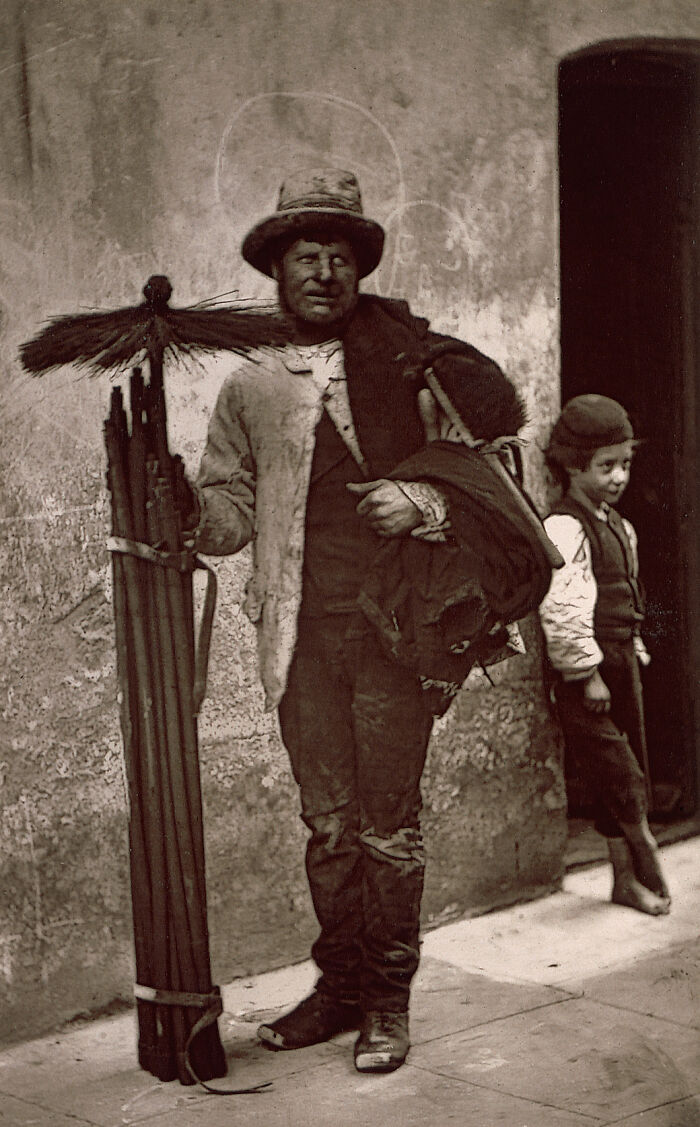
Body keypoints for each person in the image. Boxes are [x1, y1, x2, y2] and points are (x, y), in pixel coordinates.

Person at [189, 168, 532, 1073]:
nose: (325, 273)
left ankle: (388, 998)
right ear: (278, 267)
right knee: (330, 825)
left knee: (388, 826)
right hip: (299, 641)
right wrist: (189, 515)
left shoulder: (412, 362)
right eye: (307, 256)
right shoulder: (251, 385)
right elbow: (227, 509)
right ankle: (338, 986)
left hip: (394, 631)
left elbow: (492, 470)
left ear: (358, 269)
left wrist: (423, 498)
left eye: (340, 256)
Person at [538, 394, 671, 916]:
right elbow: (564, 605)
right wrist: (586, 673)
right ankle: (644, 846)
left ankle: (623, 880)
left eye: (625, 465)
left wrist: (630, 647)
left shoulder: (619, 525)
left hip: (619, 662)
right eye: (606, 466)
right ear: (573, 466)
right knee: (619, 772)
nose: (618, 477)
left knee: (628, 762)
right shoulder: (566, 528)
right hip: (588, 672)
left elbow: (624, 593)